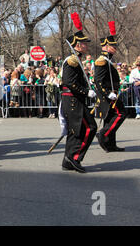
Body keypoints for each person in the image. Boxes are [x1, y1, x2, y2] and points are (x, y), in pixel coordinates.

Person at [60, 13, 97, 173]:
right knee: (89, 127)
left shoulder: (77, 60)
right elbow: (69, 82)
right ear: (77, 45)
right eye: (84, 43)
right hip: (73, 99)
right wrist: (85, 91)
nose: (86, 45)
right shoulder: (72, 61)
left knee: (76, 130)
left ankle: (68, 160)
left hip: (75, 99)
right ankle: (75, 158)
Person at [94, 21, 126, 152]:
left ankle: (110, 144)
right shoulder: (102, 61)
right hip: (107, 95)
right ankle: (103, 134)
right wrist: (107, 93)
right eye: (113, 46)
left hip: (111, 93)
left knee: (109, 118)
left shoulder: (108, 60)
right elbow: (98, 80)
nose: (115, 48)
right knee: (121, 114)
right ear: (106, 47)